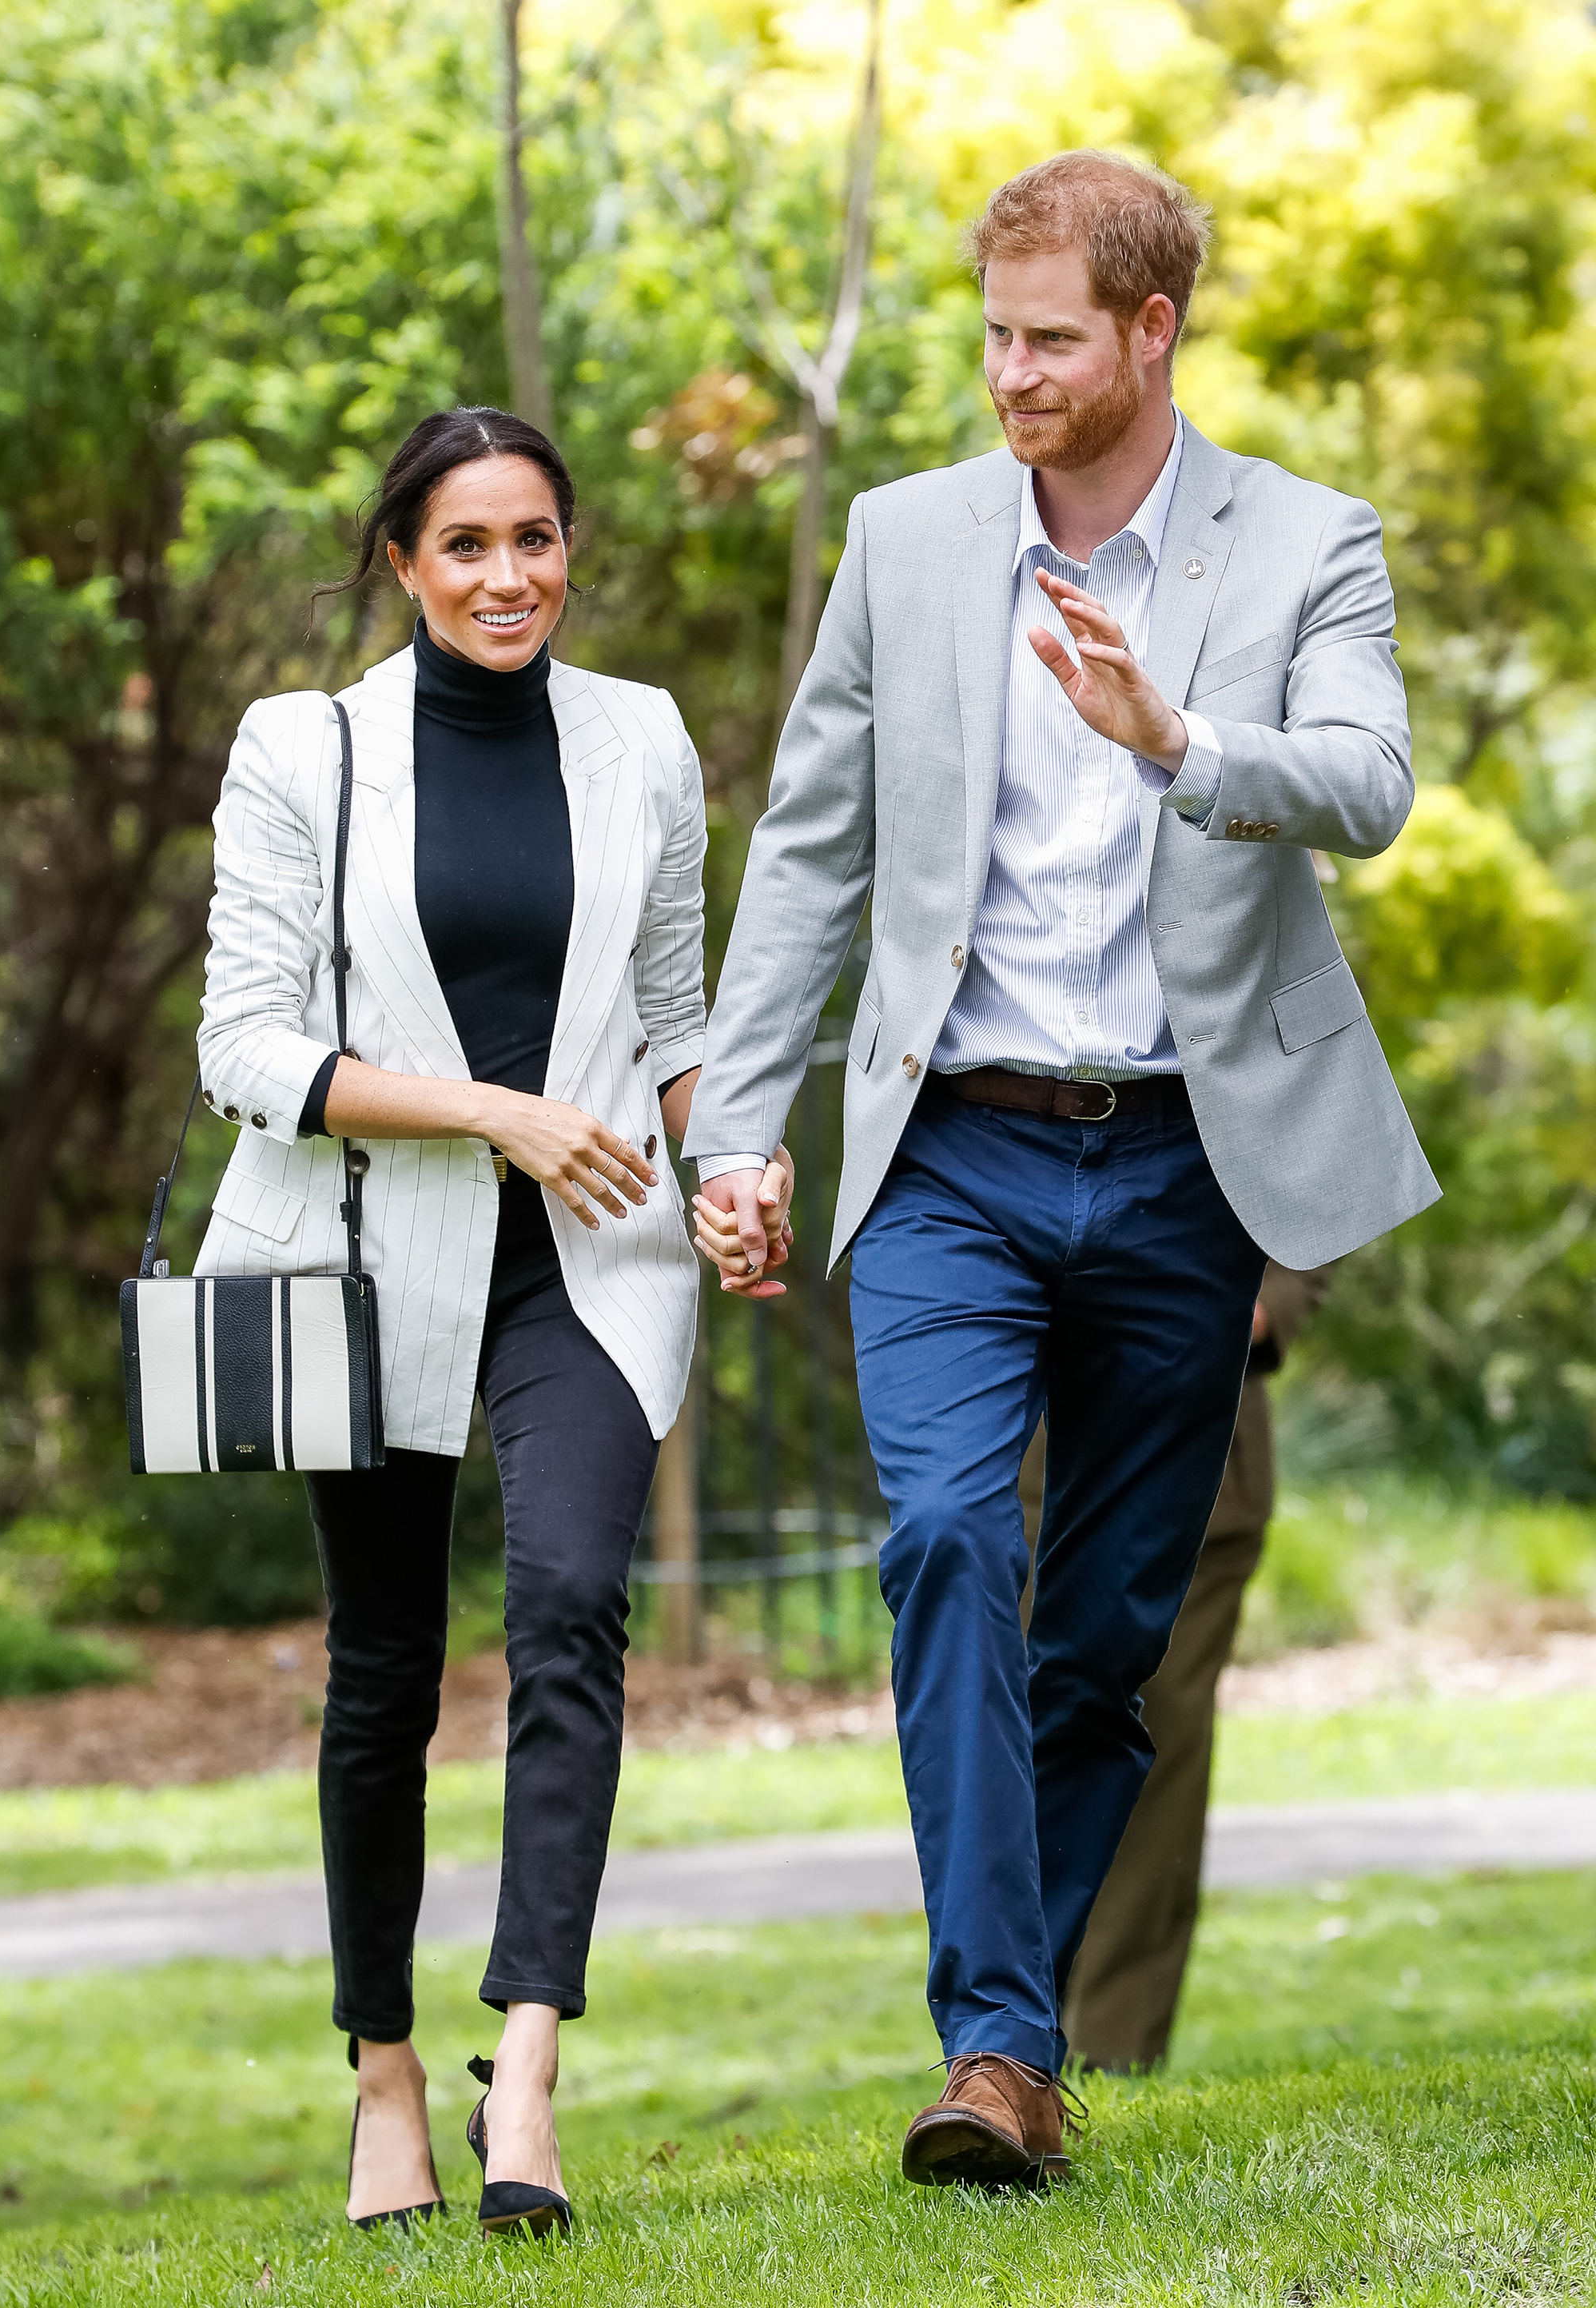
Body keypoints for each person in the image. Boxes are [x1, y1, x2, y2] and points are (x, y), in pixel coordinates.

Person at [688, 149, 1438, 2190]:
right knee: (942, 1539)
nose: (1007, 372)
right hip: (950, 1149)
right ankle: (996, 2048)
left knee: (1103, 1633)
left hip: (1191, 1160)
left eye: (1045, 338)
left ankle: (1004, 2055)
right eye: (990, 334)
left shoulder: (1303, 542)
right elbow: (817, 851)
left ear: (1147, 331)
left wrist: (1176, 735)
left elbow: (1364, 783)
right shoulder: (905, 540)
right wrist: (739, 1119)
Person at [194, 405, 790, 2237]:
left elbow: (681, 1017)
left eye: (533, 538)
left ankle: (523, 2062)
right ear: (402, 562)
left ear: (566, 547)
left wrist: (734, 1162)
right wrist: (495, 1110)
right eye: (465, 544)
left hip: (587, 1264)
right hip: (370, 1260)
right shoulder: (310, 749)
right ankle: (383, 2073)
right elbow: (245, 1046)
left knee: (565, 1617)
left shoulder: (642, 740)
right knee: (380, 1677)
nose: (506, 575)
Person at [1052, 1261, 1329, 2072]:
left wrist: (1262, 1304)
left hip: (1201, 1435)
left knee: (1154, 1744)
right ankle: (1002, 2043)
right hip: (1026, 1443)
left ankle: (1110, 2050)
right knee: (1018, 1733)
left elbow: (1333, 1153)